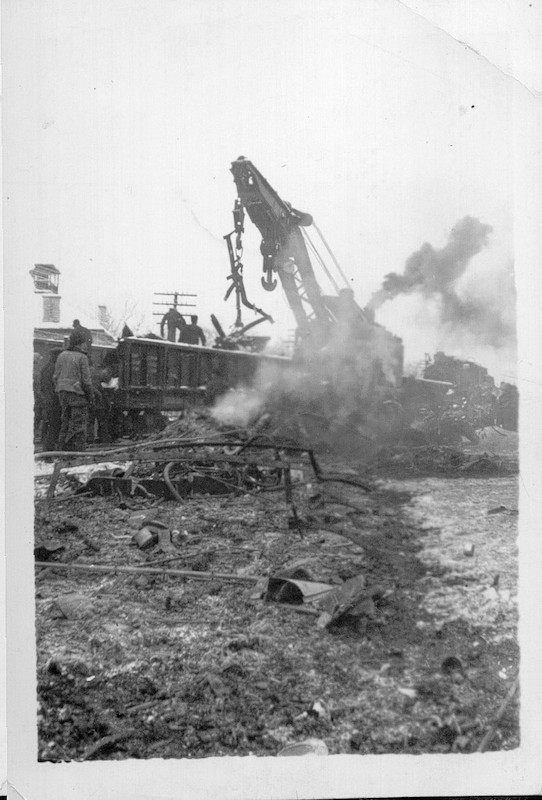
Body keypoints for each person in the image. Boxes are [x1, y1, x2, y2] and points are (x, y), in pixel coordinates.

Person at [53, 330, 94, 451]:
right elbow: (86, 381)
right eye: (85, 342)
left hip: (62, 393)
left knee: (65, 422)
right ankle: (77, 453)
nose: (86, 345)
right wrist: (90, 397)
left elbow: (55, 377)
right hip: (77, 395)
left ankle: (62, 451)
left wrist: (61, 389)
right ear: (80, 343)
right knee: (78, 425)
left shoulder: (61, 355)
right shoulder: (82, 357)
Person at [39, 348, 63, 452]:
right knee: (55, 425)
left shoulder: (45, 368)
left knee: (48, 424)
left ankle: (46, 447)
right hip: (54, 400)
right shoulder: (54, 369)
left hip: (46, 400)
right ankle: (49, 449)